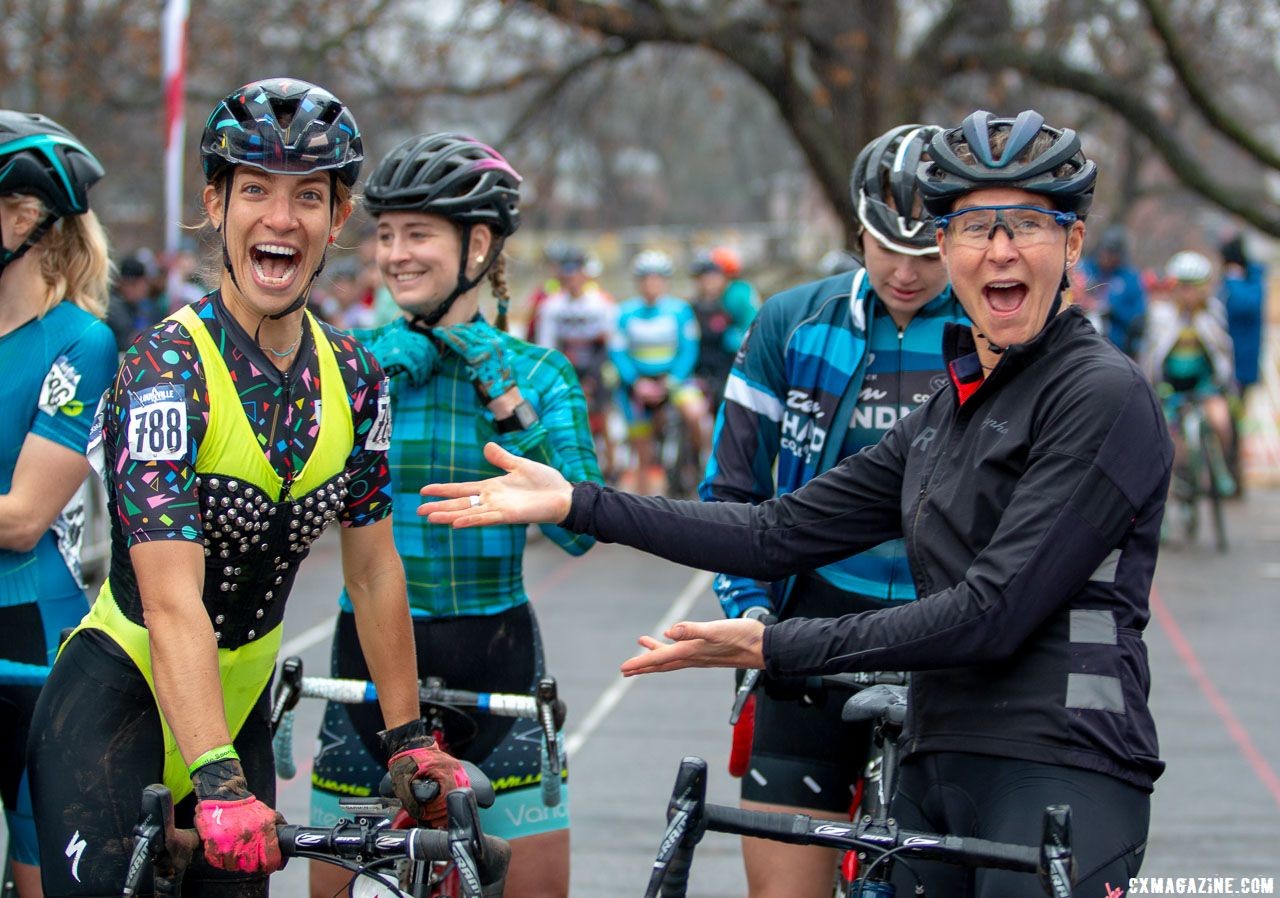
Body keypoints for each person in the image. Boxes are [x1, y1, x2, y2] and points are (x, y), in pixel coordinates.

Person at [421, 110, 1171, 898]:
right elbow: (775, 531)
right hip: (939, 753)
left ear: (1073, 243)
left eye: (1027, 224)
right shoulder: (950, 412)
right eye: (975, 226)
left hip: (1063, 760)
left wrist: (774, 647)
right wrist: (580, 503)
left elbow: (993, 612)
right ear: (946, 245)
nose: (1002, 248)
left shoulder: (1100, 393)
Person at [27, 79, 464, 898]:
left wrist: (407, 739)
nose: (280, 217)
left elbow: (372, 573)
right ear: (215, 204)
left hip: (238, 710)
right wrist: (218, 783)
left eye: (309, 196)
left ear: (337, 219)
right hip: (119, 702)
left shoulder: (359, 377)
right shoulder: (165, 369)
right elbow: (170, 603)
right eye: (255, 189)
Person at [309, 132, 601, 898]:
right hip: (365, 669)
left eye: (418, 234)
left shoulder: (540, 370)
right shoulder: (347, 357)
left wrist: (509, 406)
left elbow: (579, 530)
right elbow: (290, 502)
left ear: (477, 244)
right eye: (386, 235)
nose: (397, 254)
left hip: (497, 657)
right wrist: (359, 388)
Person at [700, 124, 966, 898]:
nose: (908, 272)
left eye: (930, 252)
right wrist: (751, 614)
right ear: (858, 227)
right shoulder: (792, 322)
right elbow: (733, 492)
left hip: (951, 629)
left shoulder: (993, 332)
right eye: (889, 247)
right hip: (814, 624)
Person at [0, 110, 117, 898]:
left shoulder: (81, 341)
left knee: (40, 870)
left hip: (28, 629)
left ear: (24, 216)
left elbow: (22, 517)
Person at [610, 250, 705, 495]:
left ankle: (699, 461)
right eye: (646, 279)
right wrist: (636, 382)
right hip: (637, 386)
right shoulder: (624, 313)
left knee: (695, 414)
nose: (651, 284)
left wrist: (673, 381)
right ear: (638, 282)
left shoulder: (680, 310)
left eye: (657, 278)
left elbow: (689, 350)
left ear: (666, 281)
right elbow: (618, 352)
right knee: (643, 453)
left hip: (674, 380)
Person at [1140, 250, 1236, 493]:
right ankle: (1178, 484)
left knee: (1221, 420)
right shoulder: (1162, 315)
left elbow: (1223, 351)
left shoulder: (1211, 314)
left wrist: (1222, 383)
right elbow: (1151, 354)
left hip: (1203, 384)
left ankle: (1219, 467)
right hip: (1171, 386)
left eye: (1194, 287)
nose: (1188, 293)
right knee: (1169, 442)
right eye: (1183, 287)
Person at [536, 246, 618, 478]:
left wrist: (592, 379)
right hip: (568, 364)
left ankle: (611, 464)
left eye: (575, 272)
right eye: (566, 272)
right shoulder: (551, 305)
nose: (571, 278)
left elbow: (611, 345)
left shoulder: (601, 302)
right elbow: (548, 348)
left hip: (598, 363)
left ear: (585, 274)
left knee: (603, 411)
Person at [689, 246, 759, 404]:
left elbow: (750, 329)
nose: (709, 282)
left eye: (713, 276)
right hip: (703, 372)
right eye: (704, 277)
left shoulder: (736, 296)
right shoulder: (693, 307)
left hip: (730, 370)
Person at [1079, 224, 1148, 357]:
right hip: (1081, 338)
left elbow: (1137, 317)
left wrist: (1110, 309)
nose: (1107, 258)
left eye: (1112, 254)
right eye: (1105, 252)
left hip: (1116, 345)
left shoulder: (1131, 279)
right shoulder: (1085, 268)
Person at [105, 255, 167, 351]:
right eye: (129, 284)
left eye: (136, 284)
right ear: (120, 283)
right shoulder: (112, 309)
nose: (131, 289)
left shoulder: (149, 307)